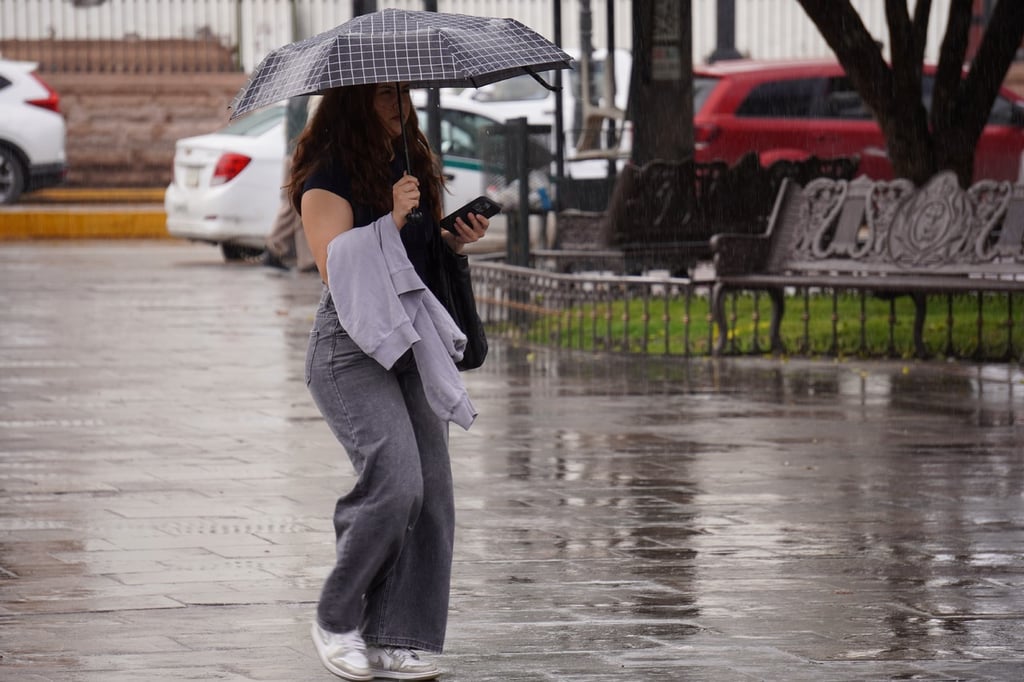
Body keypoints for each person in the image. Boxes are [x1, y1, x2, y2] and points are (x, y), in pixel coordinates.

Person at [287, 82, 490, 681]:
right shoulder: (327, 175)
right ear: (353, 101)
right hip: (349, 347)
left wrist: (449, 239)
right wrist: (393, 219)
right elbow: (334, 268)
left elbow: (416, 264)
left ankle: (397, 635)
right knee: (396, 483)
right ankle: (335, 617)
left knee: (432, 494)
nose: (400, 102)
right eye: (384, 94)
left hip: (412, 342)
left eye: (404, 91)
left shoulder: (410, 163)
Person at [259, 95, 314, 272]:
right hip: (301, 155)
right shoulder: (310, 97)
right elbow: (311, 125)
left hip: (292, 154)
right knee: (296, 204)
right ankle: (275, 246)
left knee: (298, 207)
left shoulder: (296, 96)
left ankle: (306, 259)